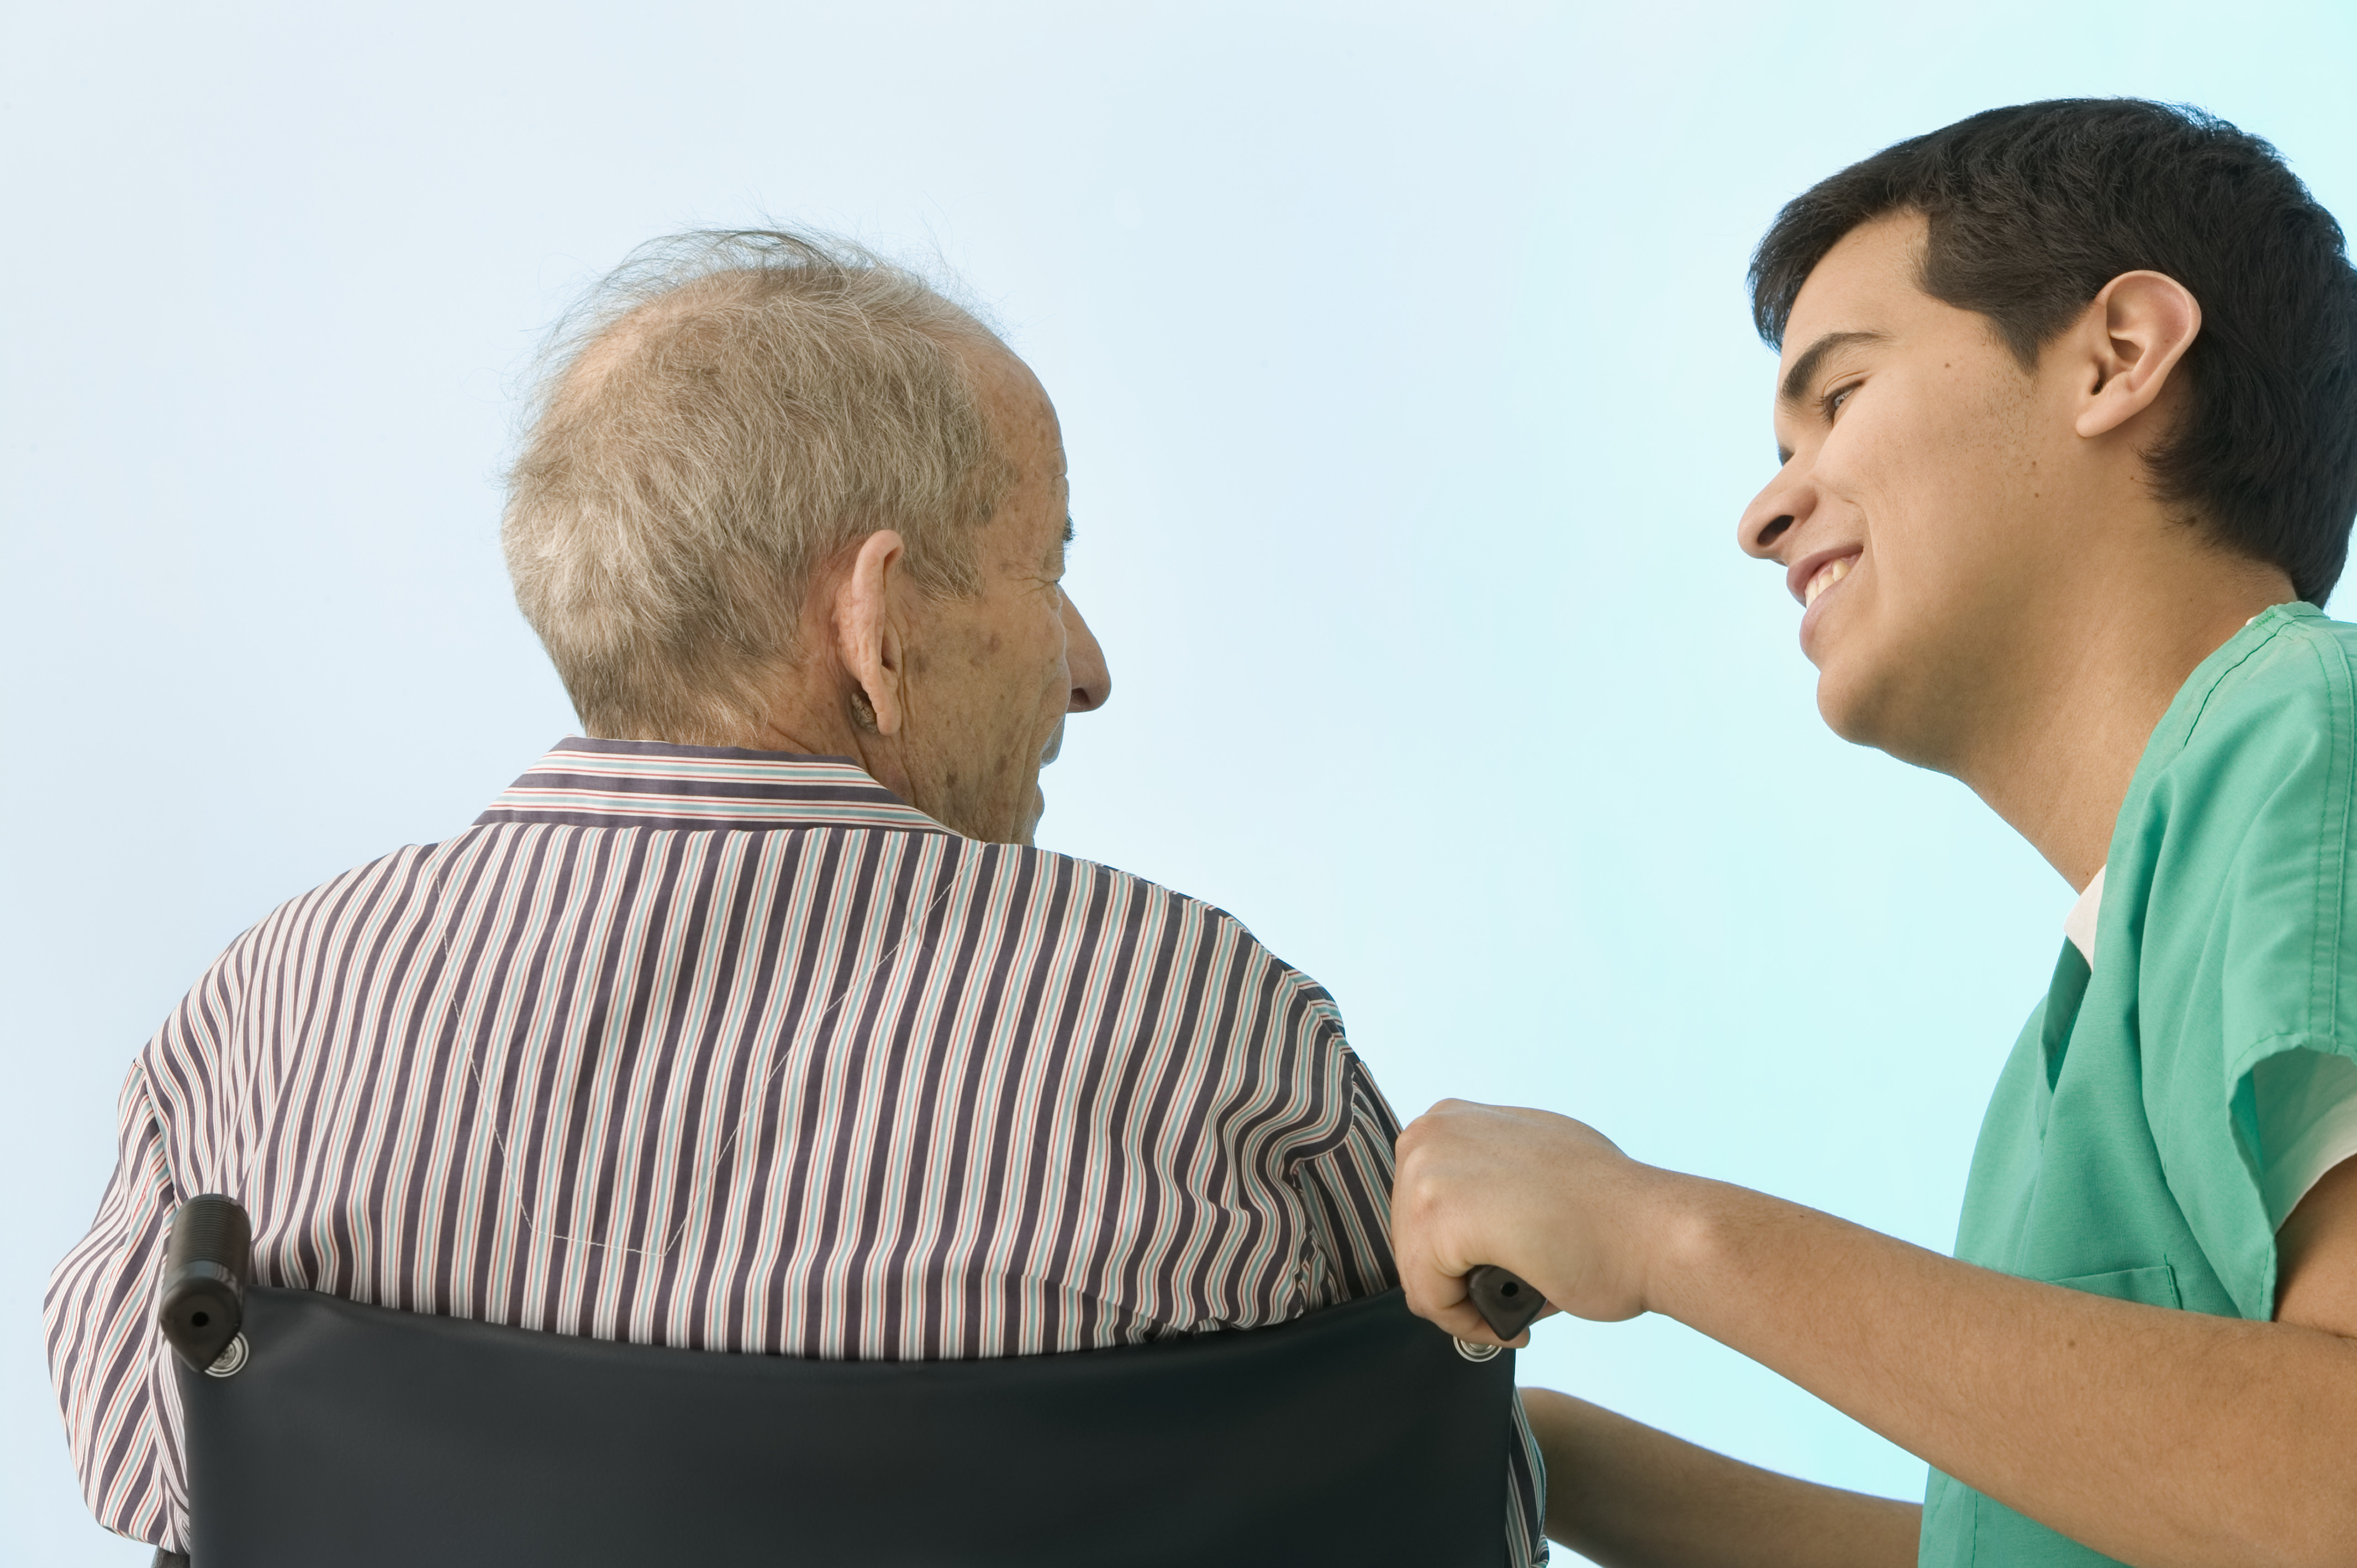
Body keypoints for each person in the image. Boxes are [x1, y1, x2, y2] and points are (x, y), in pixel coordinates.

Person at [44, 230, 1544, 1563]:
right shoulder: (1202, 1021)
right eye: (1047, 570)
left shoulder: (273, 1009)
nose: (1084, 666)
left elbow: (147, 1460)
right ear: (874, 621)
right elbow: (1452, 1506)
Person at [1391, 99, 2357, 1568]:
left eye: (1836, 398)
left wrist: (1660, 1232)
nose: (1764, 512)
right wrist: (1546, 1461)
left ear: (2117, 356)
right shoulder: (2077, 1029)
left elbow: (2328, 1483)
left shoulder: (2305, 732)